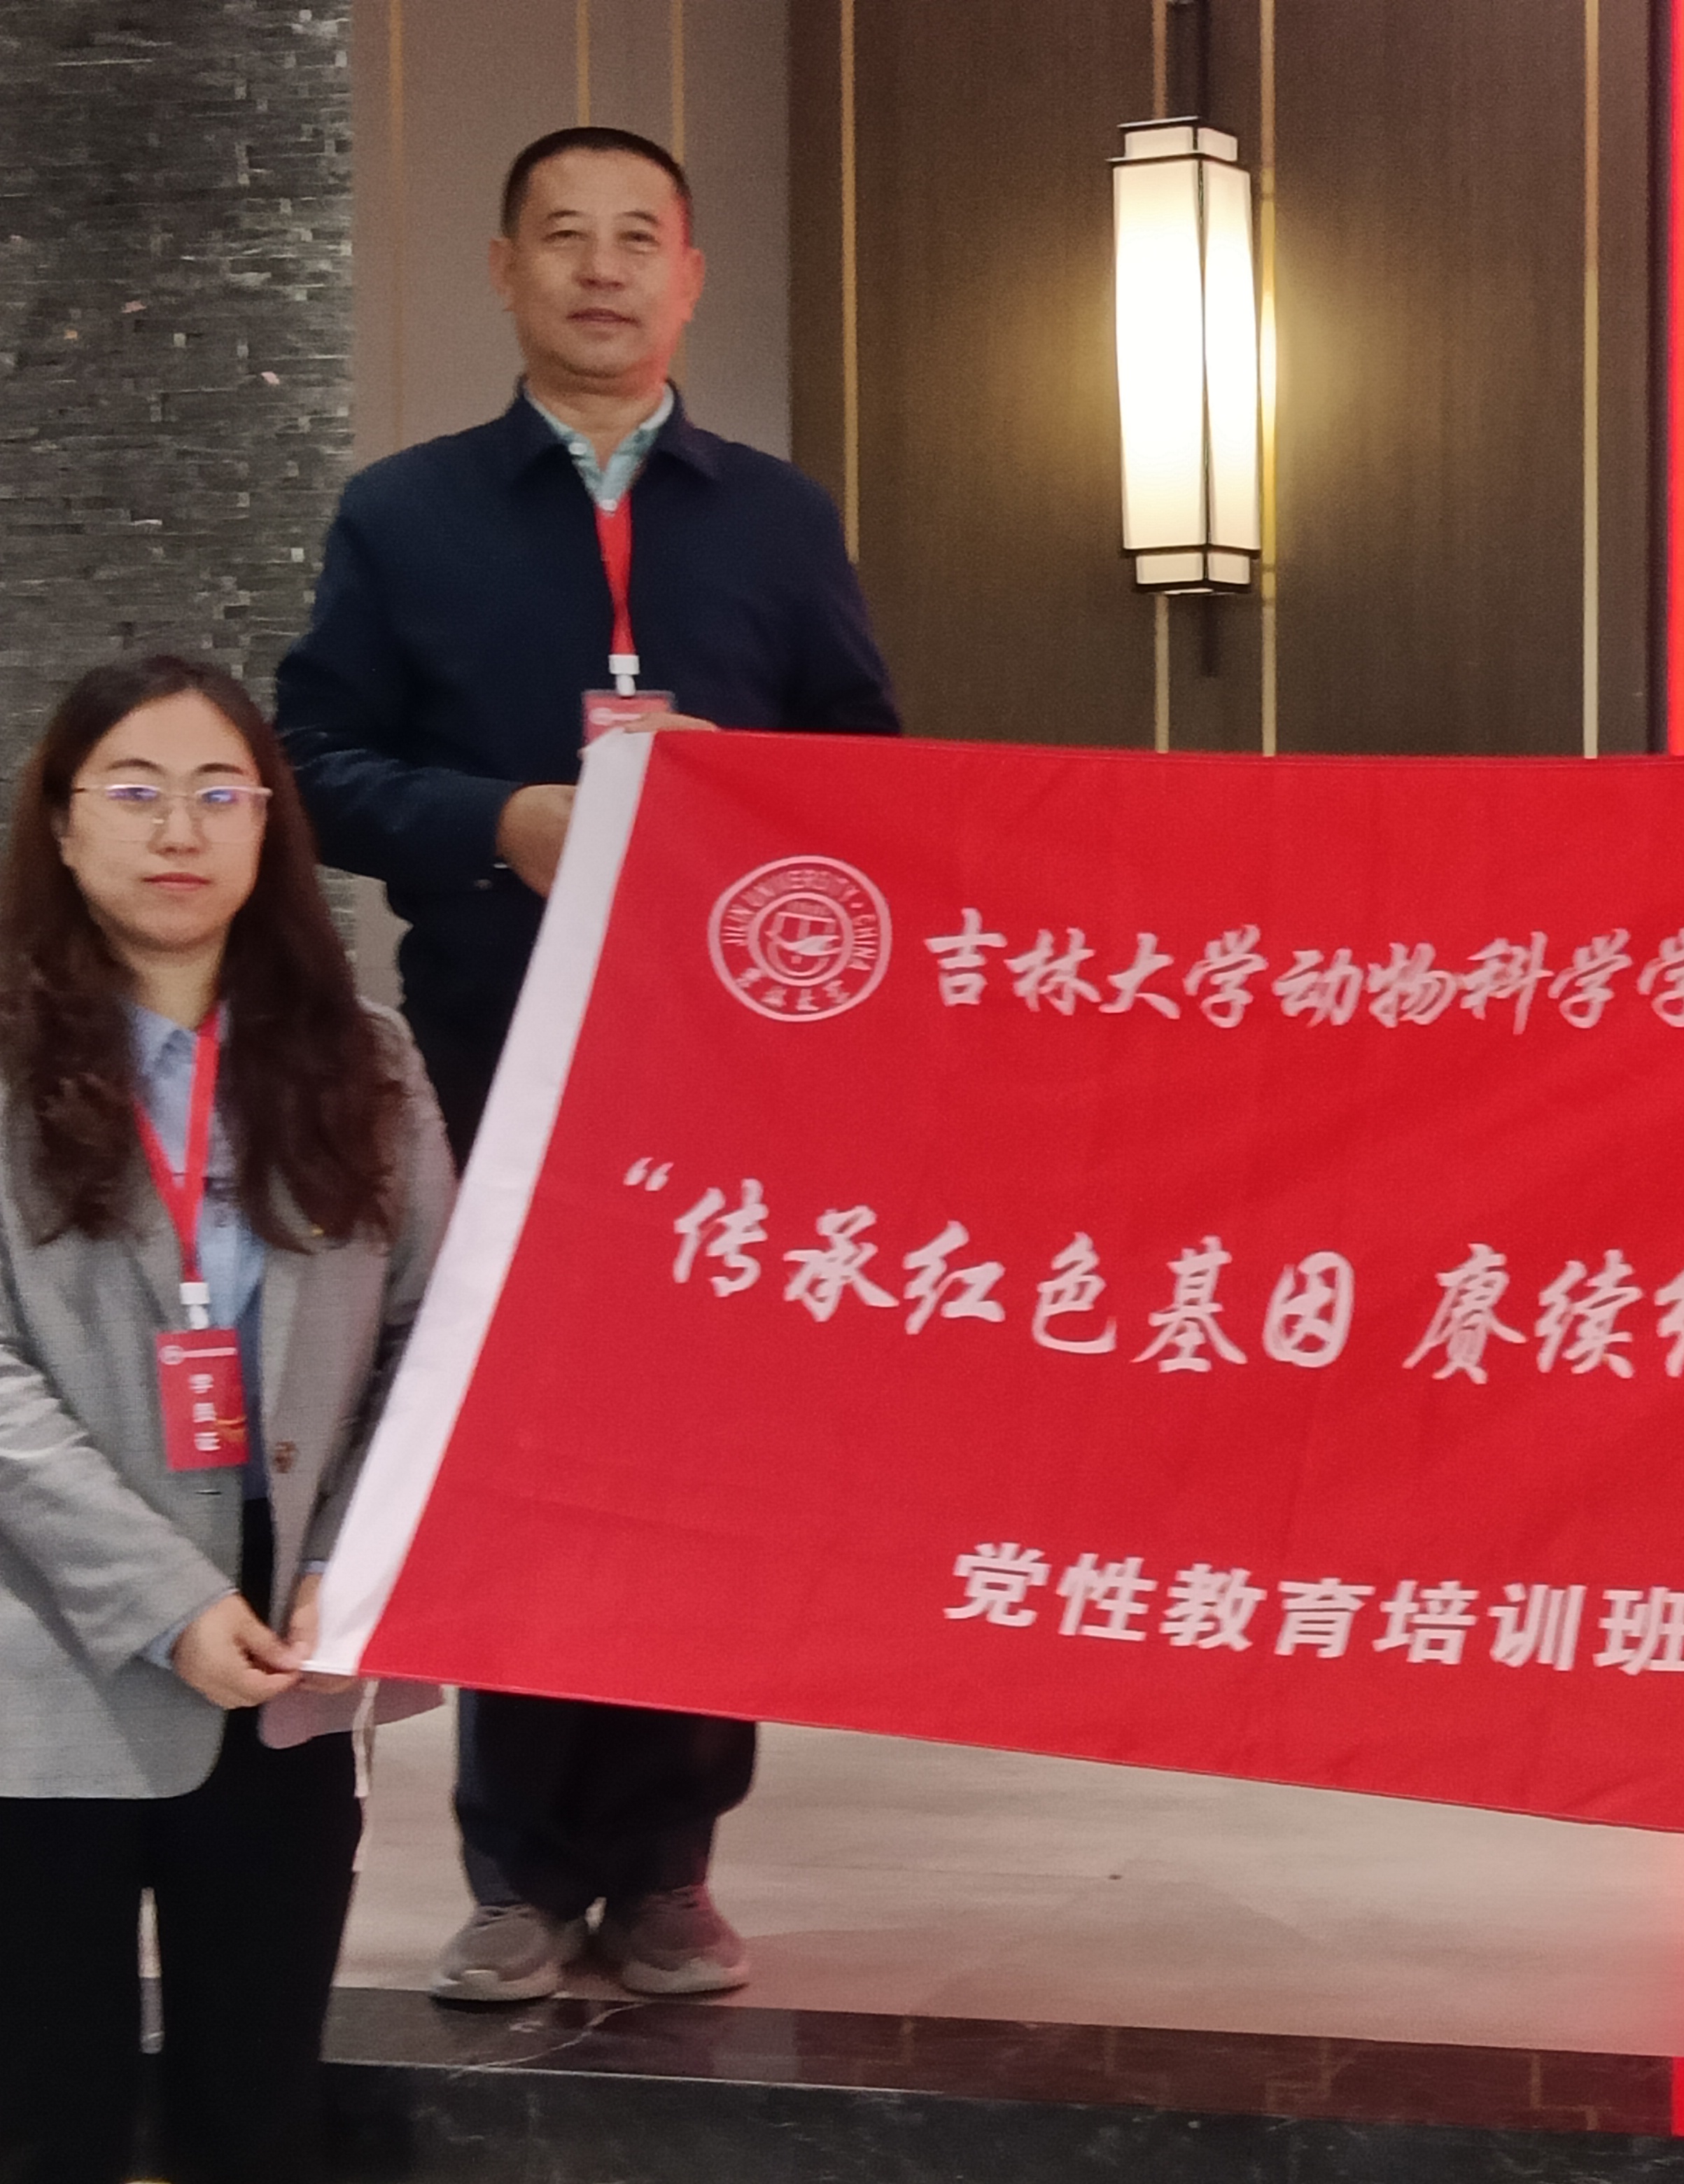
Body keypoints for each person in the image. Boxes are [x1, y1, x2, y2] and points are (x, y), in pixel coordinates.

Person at [275, 125, 901, 2005]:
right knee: (519, 1442)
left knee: (699, 1453)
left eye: (640, 239)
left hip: (727, 1069)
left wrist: (758, 819)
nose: (603, 268)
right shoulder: (408, 514)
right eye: (565, 236)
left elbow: (869, 774)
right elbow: (314, 771)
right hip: (495, 1050)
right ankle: (521, 1868)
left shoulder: (776, 518)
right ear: (505, 270)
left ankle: (670, 1863)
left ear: (689, 278)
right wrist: (506, 822)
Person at [0, 654, 456, 2184]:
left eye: (220, 792)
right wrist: (162, 1601)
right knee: (42, 2111)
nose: (178, 829)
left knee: (258, 2106)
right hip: (44, 1643)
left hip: (288, 1649)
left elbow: (430, 1340)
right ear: (61, 824)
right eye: (133, 791)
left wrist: (352, 1568)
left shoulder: (365, 1060)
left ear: (270, 825)